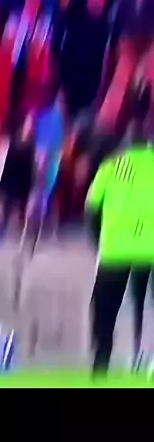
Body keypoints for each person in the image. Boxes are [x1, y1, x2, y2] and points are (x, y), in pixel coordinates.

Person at [86, 117, 154, 373]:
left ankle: (101, 363)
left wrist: (98, 242)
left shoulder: (110, 166)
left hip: (115, 250)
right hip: (151, 250)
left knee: (103, 310)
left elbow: (92, 208)